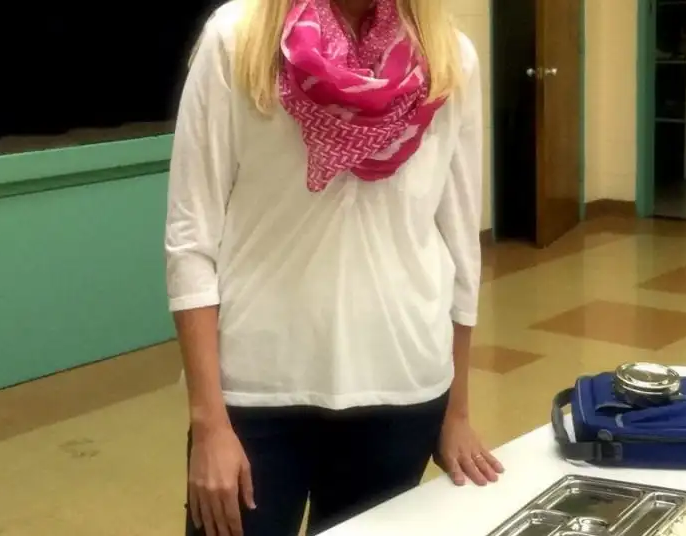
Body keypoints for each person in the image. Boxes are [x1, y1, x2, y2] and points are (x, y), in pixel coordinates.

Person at [165, 0, 501, 535]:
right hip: (257, 392)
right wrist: (208, 424)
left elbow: (460, 246)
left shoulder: (449, 57)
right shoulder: (240, 37)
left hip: (402, 387)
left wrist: (456, 412)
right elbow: (190, 240)